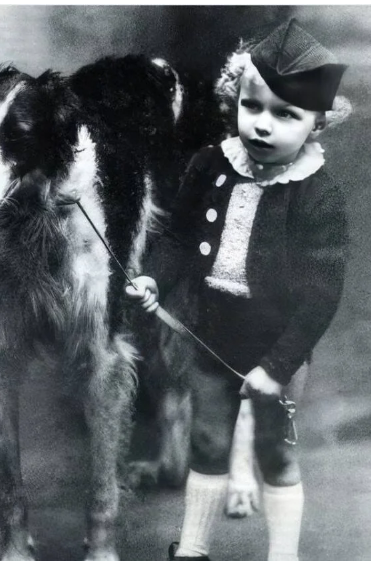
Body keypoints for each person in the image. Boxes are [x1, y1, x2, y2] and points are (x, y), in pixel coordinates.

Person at [125, 19, 351, 561]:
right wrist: (155, 276)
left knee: (276, 453)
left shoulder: (317, 196)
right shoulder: (210, 165)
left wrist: (277, 367)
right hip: (211, 336)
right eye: (253, 107)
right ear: (234, 101)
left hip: (279, 348)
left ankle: (282, 555)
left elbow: (321, 295)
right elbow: (178, 237)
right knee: (207, 443)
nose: (263, 125)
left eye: (286, 115)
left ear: (316, 124)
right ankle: (193, 548)